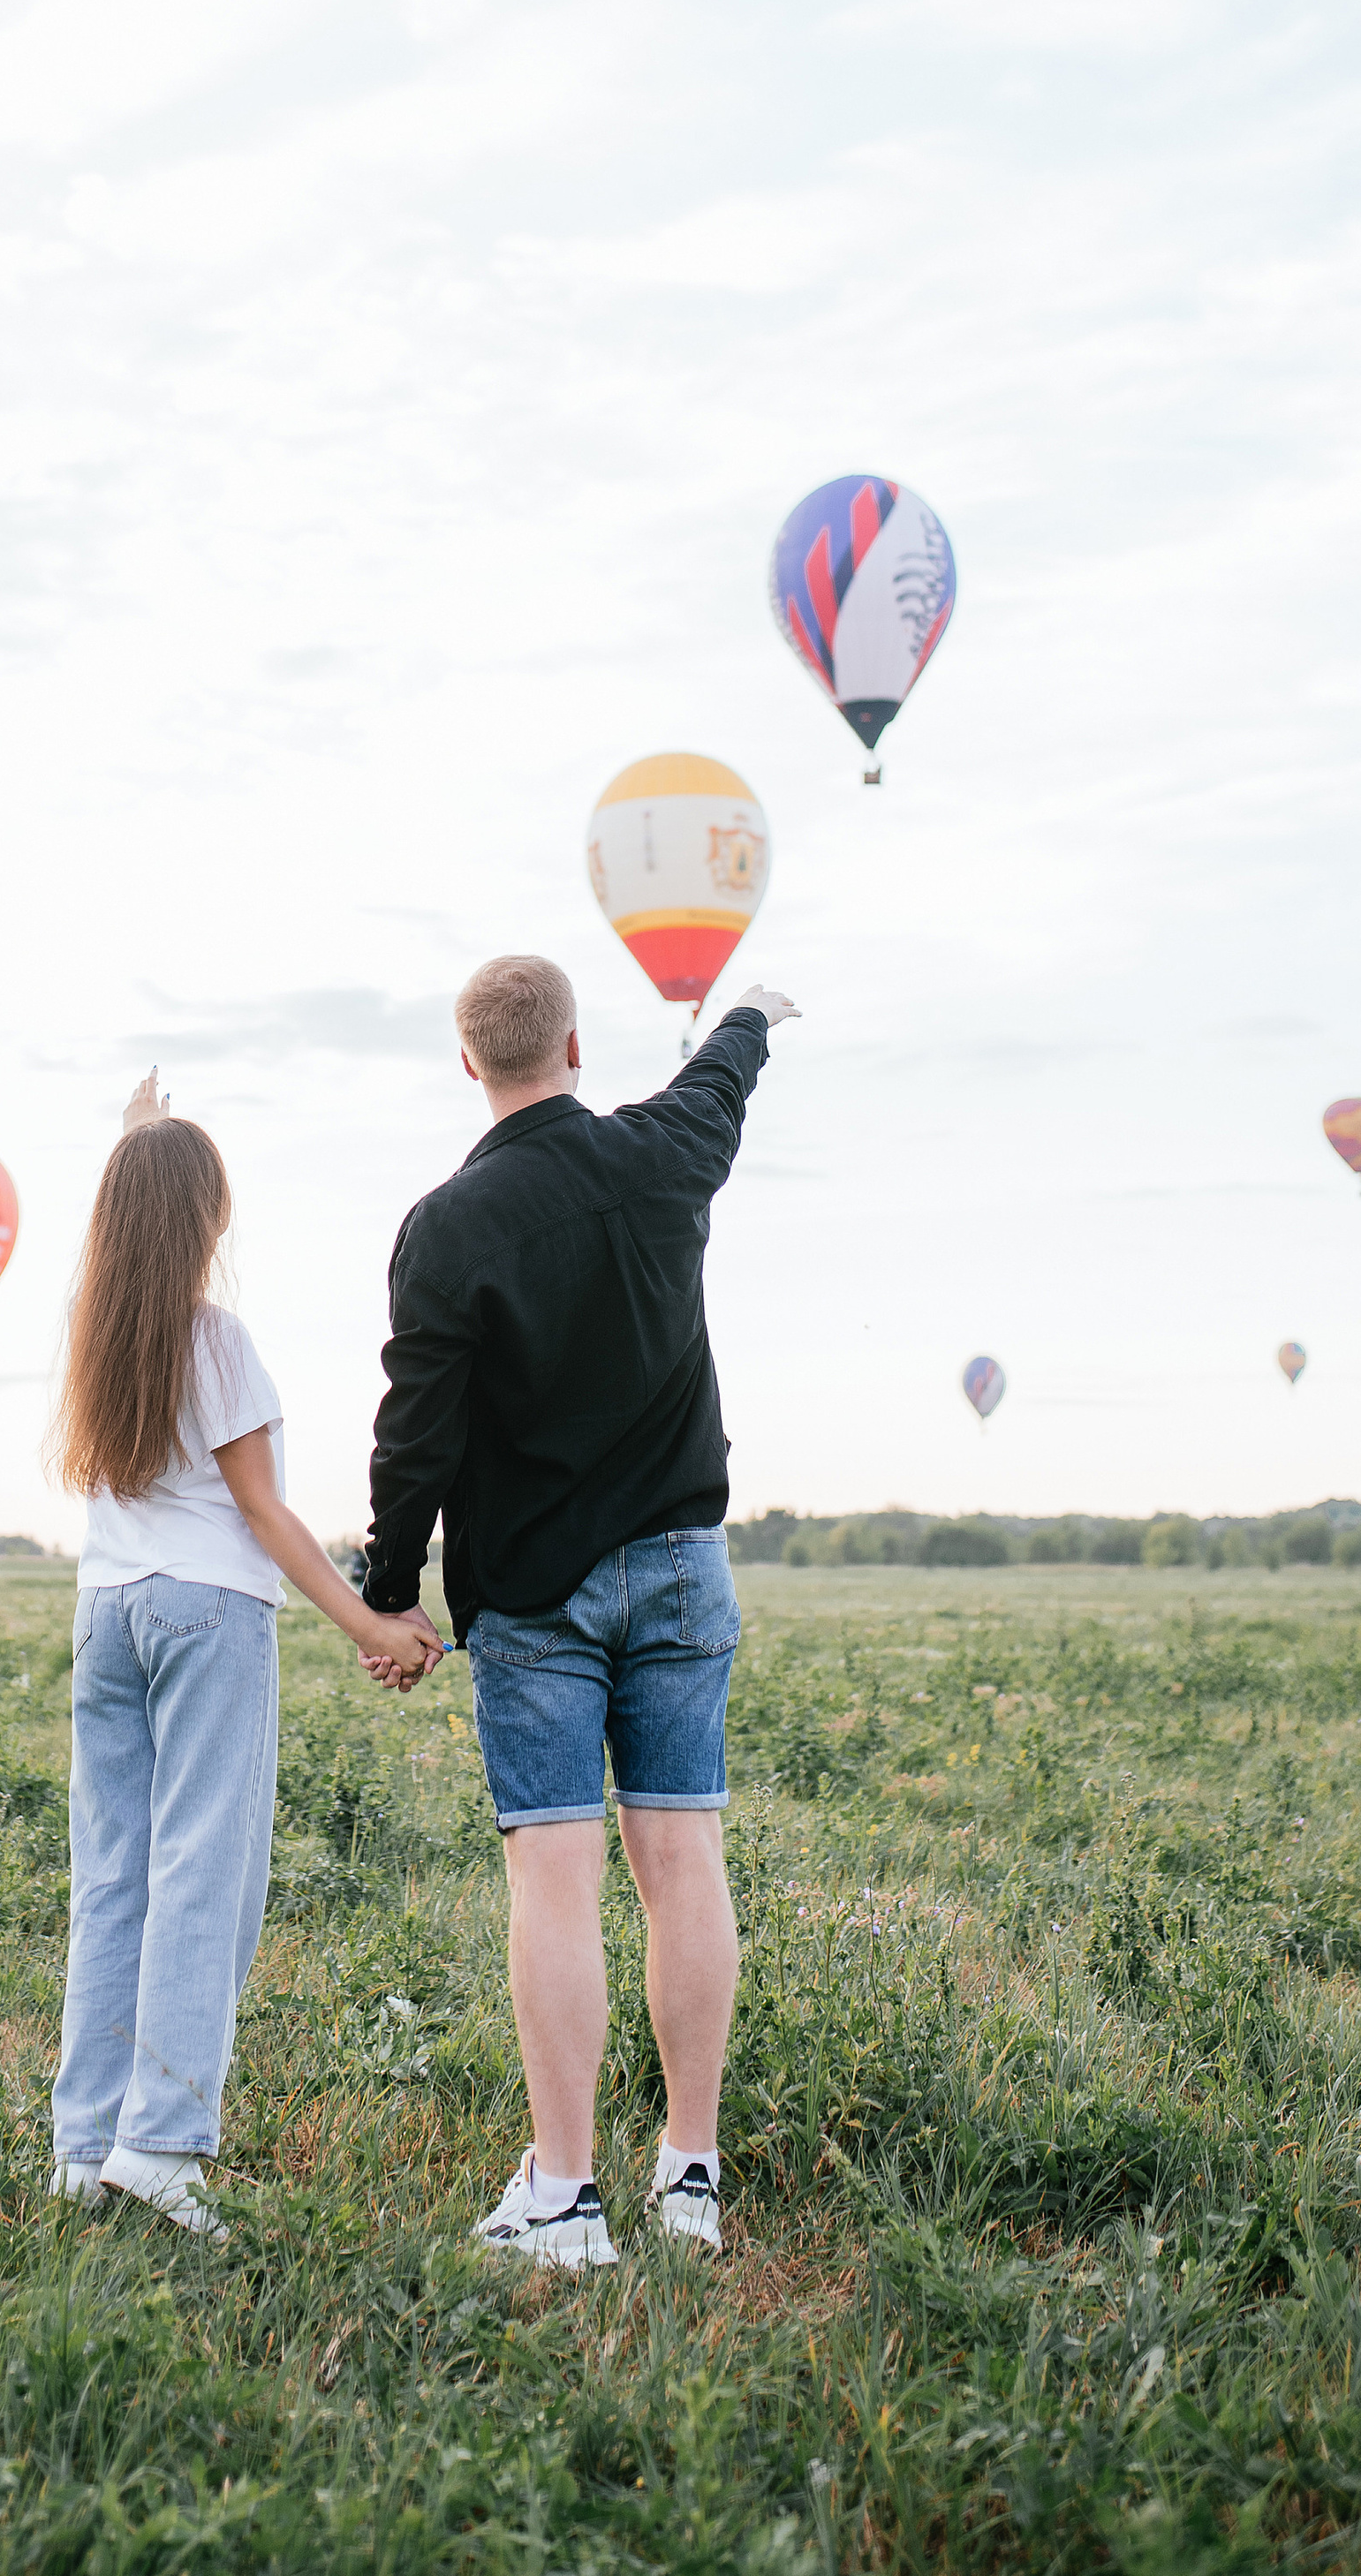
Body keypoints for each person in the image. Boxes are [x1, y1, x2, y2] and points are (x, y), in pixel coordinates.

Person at [360, 955, 798, 2268]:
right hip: (680, 1563)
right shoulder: (662, 1152)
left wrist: (390, 1589)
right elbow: (719, 1081)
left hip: (536, 1597)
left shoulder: (445, 1230)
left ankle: (562, 2200)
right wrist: (753, 1015)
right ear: (574, 1045)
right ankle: (690, 2179)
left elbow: (415, 1439)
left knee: (556, 1880)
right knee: (684, 1869)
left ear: (468, 1063)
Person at [49, 1072, 438, 2239]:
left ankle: (85, 2143)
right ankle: (161, 2145)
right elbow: (265, 1516)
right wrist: (370, 1623)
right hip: (209, 1612)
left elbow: (134, 1209)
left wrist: (136, 1139)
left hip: (107, 1612)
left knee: (115, 1875)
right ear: (208, 1225)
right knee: (203, 1874)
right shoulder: (217, 1339)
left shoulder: (93, 1325)